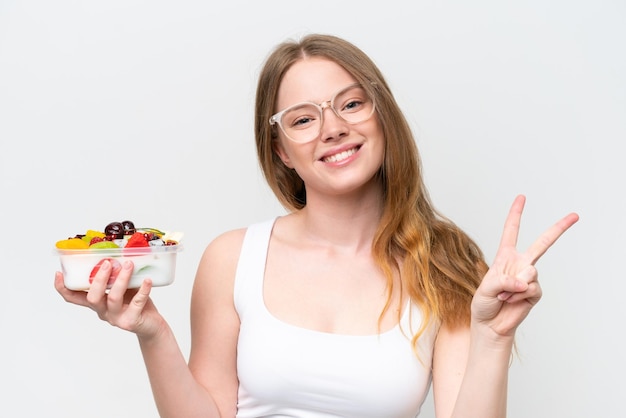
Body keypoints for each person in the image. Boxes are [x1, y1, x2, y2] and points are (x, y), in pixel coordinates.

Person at [55, 33, 579, 418]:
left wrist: (491, 336)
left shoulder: (446, 261)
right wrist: (153, 333)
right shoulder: (232, 258)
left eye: (352, 103)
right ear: (281, 150)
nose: (334, 128)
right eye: (304, 118)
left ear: (382, 117)